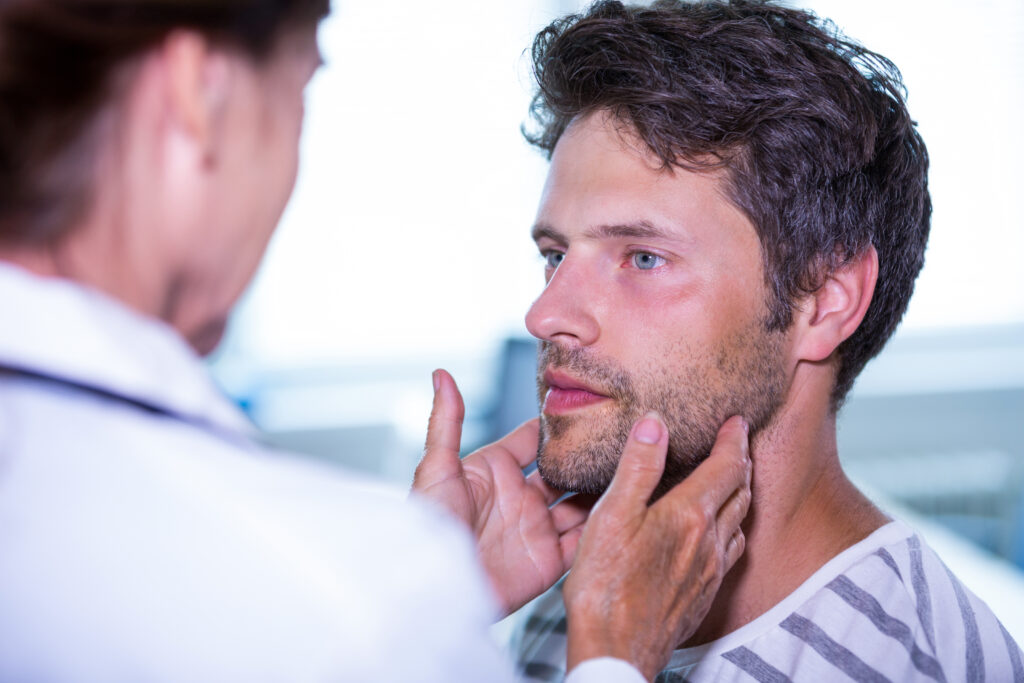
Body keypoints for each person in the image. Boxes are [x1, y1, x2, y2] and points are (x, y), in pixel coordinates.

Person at [0, 0, 755, 681]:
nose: (544, 312)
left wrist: (435, 602)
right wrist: (614, 659)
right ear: (200, 95)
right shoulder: (345, 601)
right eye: (300, 94)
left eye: (644, 257)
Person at [506, 1, 1024, 681]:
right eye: (555, 255)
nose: (545, 315)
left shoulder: (917, 663)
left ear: (825, 299)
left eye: (642, 258)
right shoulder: (571, 609)